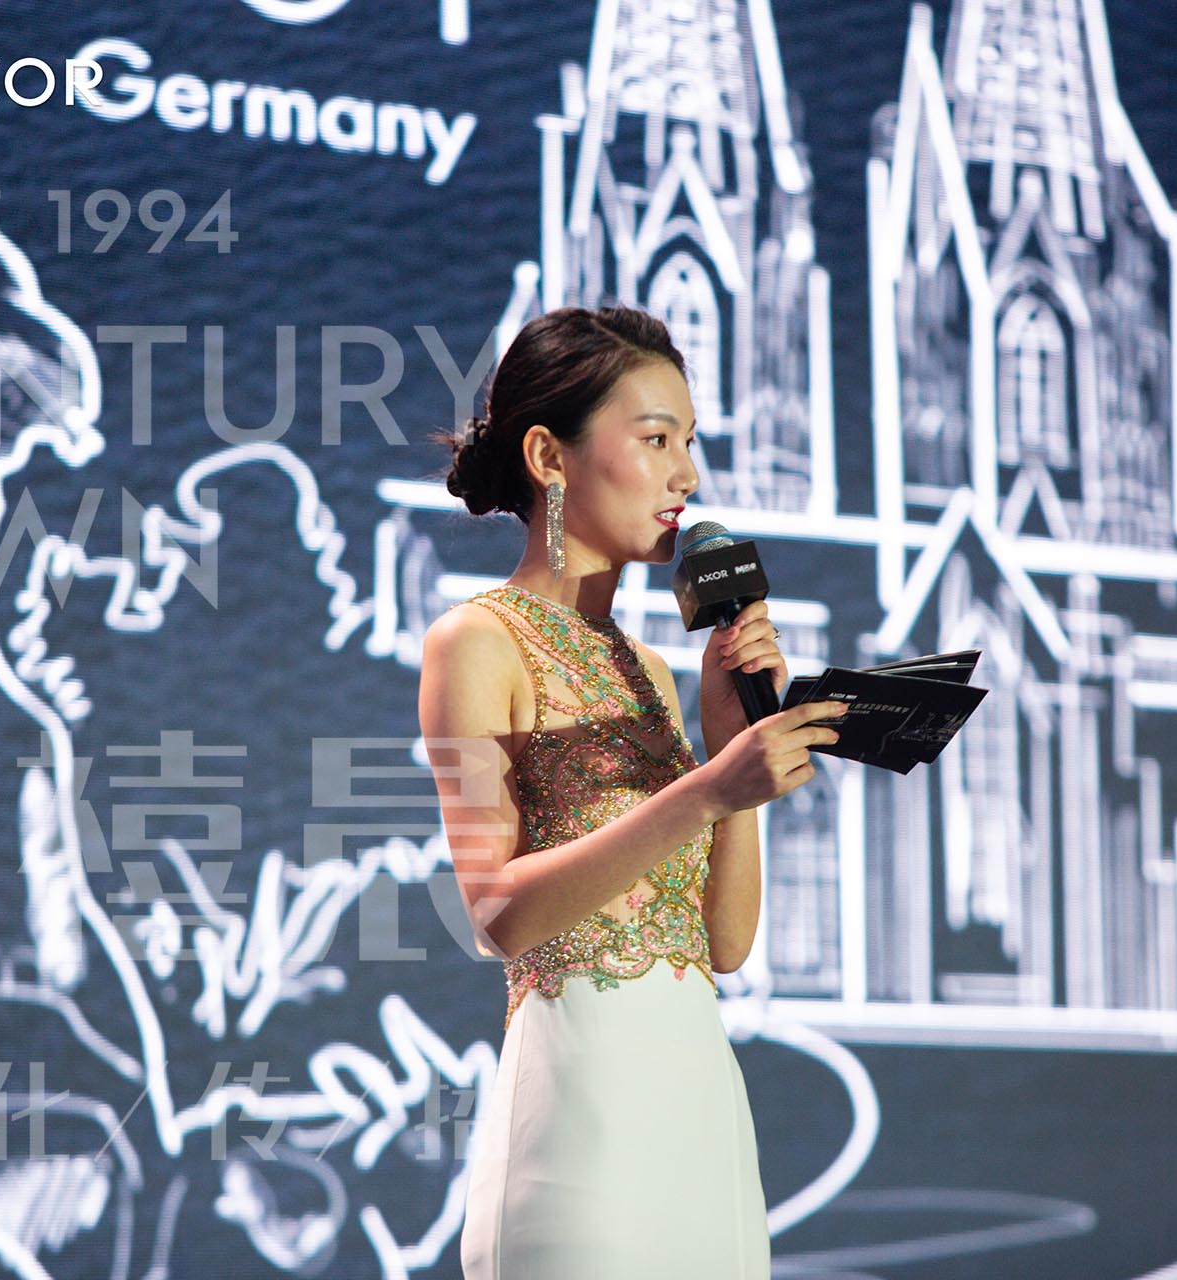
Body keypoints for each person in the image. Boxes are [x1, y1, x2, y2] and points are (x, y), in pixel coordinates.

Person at [417, 305, 846, 1277]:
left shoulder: (653, 672)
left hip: (701, 1117)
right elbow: (495, 911)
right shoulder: (476, 640)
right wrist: (704, 791)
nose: (686, 474)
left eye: (688, 442)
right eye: (655, 440)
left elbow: (724, 944)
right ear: (549, 456)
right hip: (580, 1130)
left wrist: (730, 750)